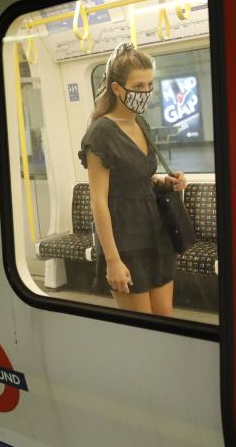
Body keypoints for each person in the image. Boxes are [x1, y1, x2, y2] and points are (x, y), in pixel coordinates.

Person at [78, 42, 187, 316]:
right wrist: (113, 260)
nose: (145, 93)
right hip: (124, 240)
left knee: (165, 317)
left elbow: (138, 178)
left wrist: (166, 182)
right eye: (138, 86)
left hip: (156, 233)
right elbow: (98, 201)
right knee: (143, 328)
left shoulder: (141, 123)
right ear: (117, 89)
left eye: (149, 85)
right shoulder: (100, 133)